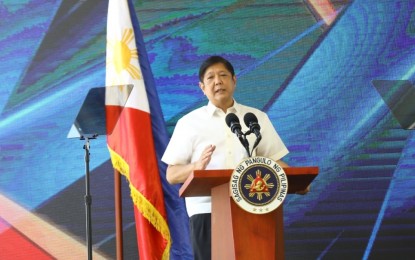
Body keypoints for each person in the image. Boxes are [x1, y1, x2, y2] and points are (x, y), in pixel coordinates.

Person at [161, 55, 290, 260]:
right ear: (202, 87)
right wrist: (196, 166)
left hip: (253, 209)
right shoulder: (189, 123)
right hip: (207, 212)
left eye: (223, 75)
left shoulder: (255, 118)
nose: (218, 81)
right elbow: (171, 174)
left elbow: (273, 160)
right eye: (210, 77)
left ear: (234, 80)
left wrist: (297, 178)